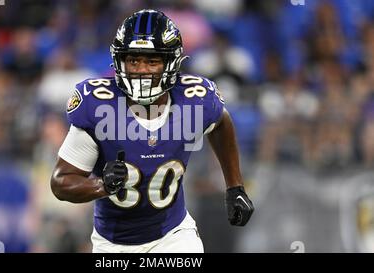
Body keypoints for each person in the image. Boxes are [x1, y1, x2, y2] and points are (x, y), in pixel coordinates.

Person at [50, 9, 254, 253]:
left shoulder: (194, 99)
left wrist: (235, 187)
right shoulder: (99, 105)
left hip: (174, 236)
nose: (141, 70)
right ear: (119, 60)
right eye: (133, 60)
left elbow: (221, 122)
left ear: (172, 62)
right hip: (113, 244)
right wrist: (101, 185)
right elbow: (61, 182)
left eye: (152, 61)